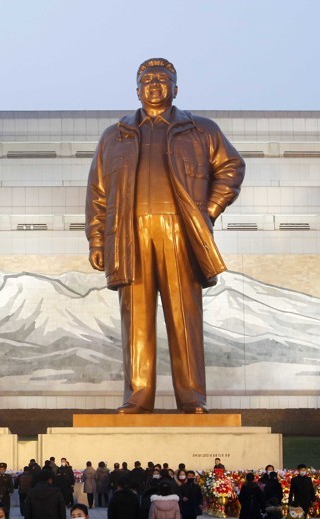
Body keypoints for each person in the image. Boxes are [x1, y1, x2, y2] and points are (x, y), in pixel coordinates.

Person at [85, 54, 244, 414]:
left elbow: (231, 167)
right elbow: (97, 193)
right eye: (147, 80)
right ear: (137, 90)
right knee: (136, 318)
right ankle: (137, 396)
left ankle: (192, 397)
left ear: (175, 88)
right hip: (129, 235)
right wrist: (97, 240)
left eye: (161, 79)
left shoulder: (200, 130)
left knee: (184, 316)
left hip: (179, 231)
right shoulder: (116, 136)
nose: (154, 85)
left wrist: (209, 210)